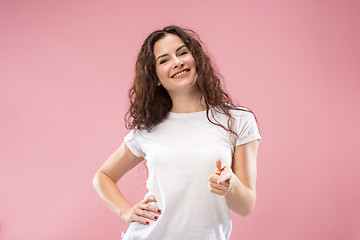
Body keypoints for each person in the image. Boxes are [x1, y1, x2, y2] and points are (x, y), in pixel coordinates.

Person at [92, 25, 262, 240]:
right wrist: (126, 211)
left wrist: (231, 185)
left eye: (182, 53)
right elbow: (103, 176)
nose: (177, 62)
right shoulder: (147, 130)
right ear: (154, 77)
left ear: (196, 58)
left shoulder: (238, 120)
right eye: (164, 60)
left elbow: (246, 206)